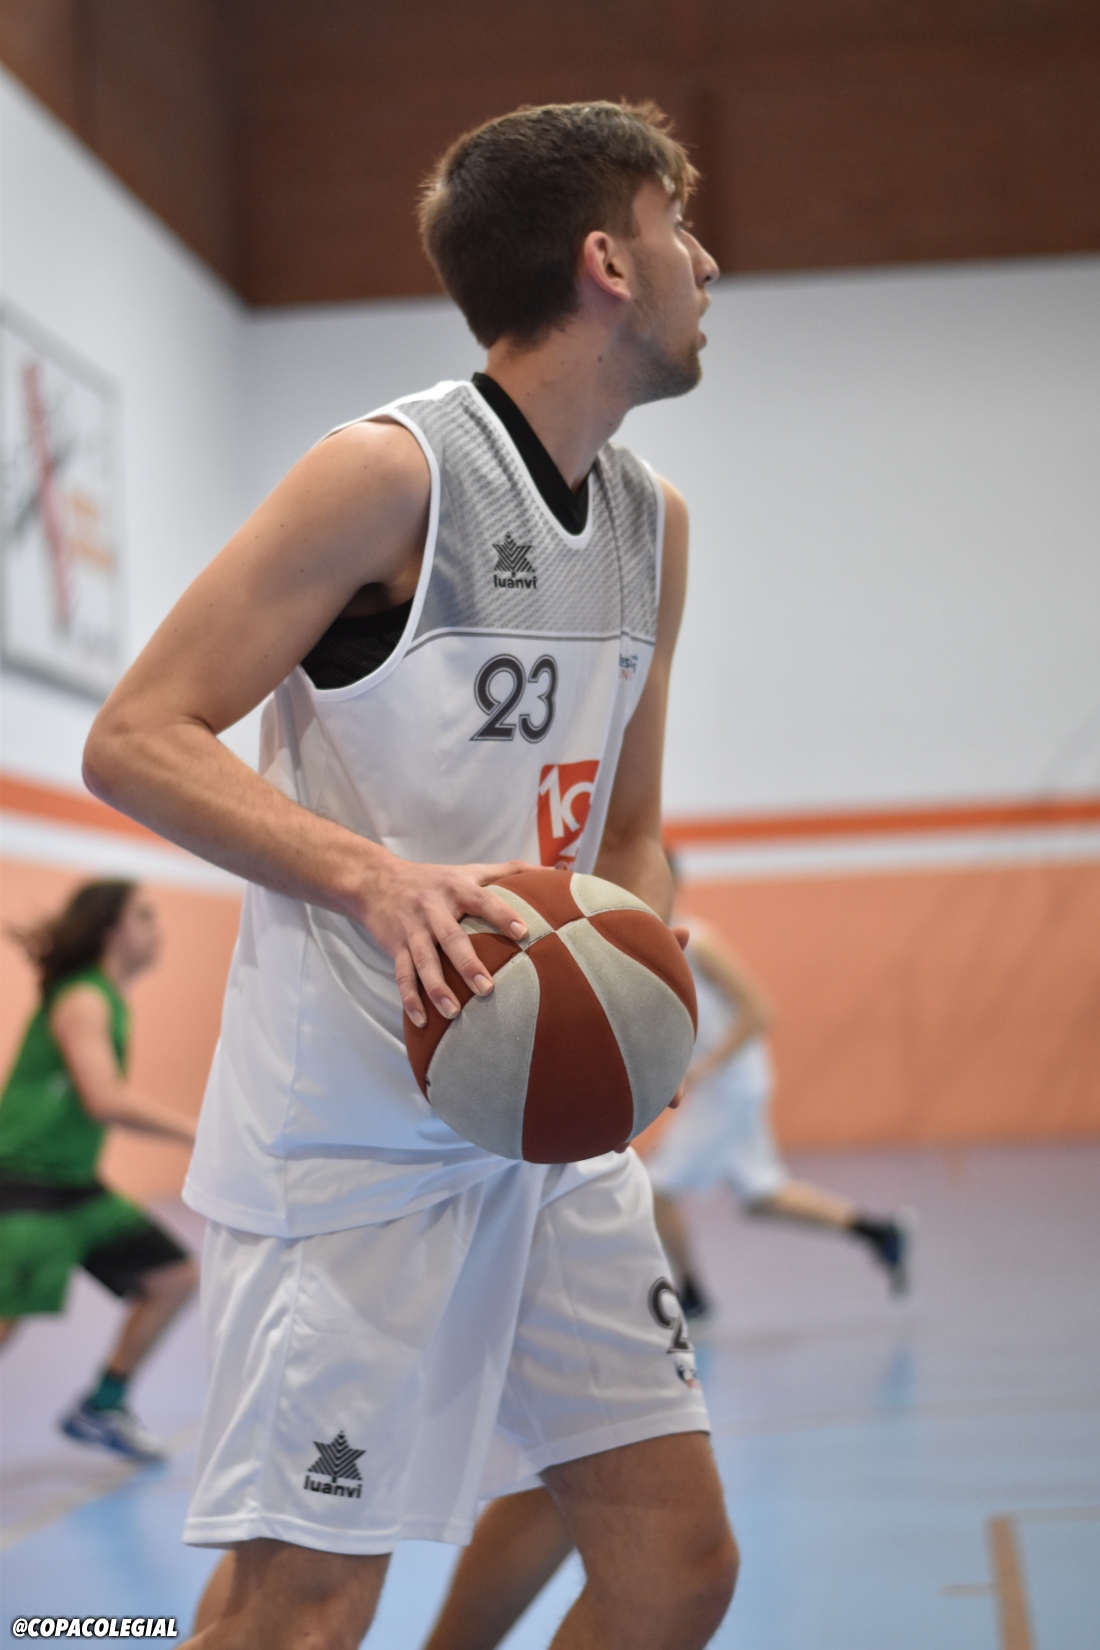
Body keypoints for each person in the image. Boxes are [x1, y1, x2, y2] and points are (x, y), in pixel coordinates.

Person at [84, 102, 738, 1650]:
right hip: (355, 1135)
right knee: (306, 1606)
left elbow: (625, 828)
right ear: (607, 262)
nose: (706, 263)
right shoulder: (387, 476)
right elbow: (135, 736)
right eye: (679, 228)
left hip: (538, 1123)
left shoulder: (653, 526)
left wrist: (636, 980)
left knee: (674, 1572)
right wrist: (374, 880)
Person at [645, 876, 911, 1317]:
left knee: (656, 1188)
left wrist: (705, 1067)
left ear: (670, 884)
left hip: (729, 1087)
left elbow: (759, 1010)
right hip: (726, 1088)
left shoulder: (700, 943)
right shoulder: (648, 951)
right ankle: (878, 1232)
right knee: (762, 1194)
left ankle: (691, 1293)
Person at [0, 880, 199, 1461]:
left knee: (173, 1277)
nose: (157, 930)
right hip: (27, 1186)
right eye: (144, 916)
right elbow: (104, 1099)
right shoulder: (84, 998)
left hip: (75, 1188)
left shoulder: (106, 998)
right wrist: (199, 1130)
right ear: (112, 929)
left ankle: (103, 1405)